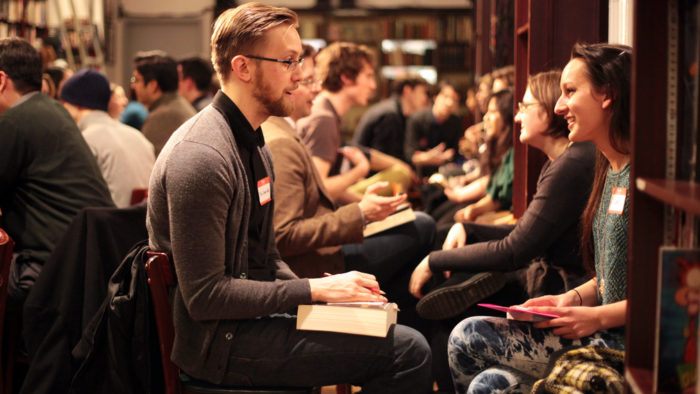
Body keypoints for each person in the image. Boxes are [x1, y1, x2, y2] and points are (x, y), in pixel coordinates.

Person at [146, 3, 432, 392]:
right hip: (219, 346)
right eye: (288, 62)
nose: (300, 76)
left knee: (390, 326)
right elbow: (205, 297)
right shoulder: (202, 156)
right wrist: (313, 291)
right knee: (407, 350)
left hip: (247, 326)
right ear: (243, 67)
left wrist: (322, 299)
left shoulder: (255, 143)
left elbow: (268, 258)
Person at [447, 43, 632, 393]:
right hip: (597, 326)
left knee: (466, 337)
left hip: (620, 344)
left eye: (570, 92)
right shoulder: (606, 169)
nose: (560, 106)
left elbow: (665, 298)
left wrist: (594, 316)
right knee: (488, 385)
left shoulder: (641, 177)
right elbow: (610, 278)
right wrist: (571, 300)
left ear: (607, 95)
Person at [262, 44, 436, 330]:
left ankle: (401, 327)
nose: (317, 90)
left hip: (322, 248)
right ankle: (400, 331)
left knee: (418, 231)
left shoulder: (295, 126)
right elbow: (286, 231)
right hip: (317, 263)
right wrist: (361, 211)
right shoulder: (309, 125)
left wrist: (365, 204)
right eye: (308, 81)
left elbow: (315, 190)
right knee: (424, 227)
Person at [0, 38, 114, 306]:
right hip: (88, 264)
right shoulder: (54, 111)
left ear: (1, 80)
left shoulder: (13, 121)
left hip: (50, 270)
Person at [297, 42, 414, 203]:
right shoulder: (324, 119)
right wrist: (359, 172)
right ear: (346, 77)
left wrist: (369, 205)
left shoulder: (326, 112)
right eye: (368, 76)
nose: (373, 85)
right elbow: (318, 190)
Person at [59, 69, 156, 208]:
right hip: (143, 226)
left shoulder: (83, 142)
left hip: (107, 225)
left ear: (72, 105)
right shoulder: (139, 137)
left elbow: (71, 201)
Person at [130, 51, 196, 155]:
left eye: (136, 80)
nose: (133, 86)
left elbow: (151, 165)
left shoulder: (161, 117)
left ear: (153, 85)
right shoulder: (177, 105)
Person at [353, 74, 430, 161]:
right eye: (422, 92)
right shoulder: (390, 115)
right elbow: (382, 160)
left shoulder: (399, 113)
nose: (425, 98)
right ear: (407, 91)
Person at [405, 81, 463, 178]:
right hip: (418, 174)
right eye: (446, 96)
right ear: (435, 97)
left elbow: (455, 154)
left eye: (455, 100)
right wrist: (429, 157)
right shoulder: (417, 119)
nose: (449, 103)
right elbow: (409, 155)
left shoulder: (455, 122)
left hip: (444, 175)